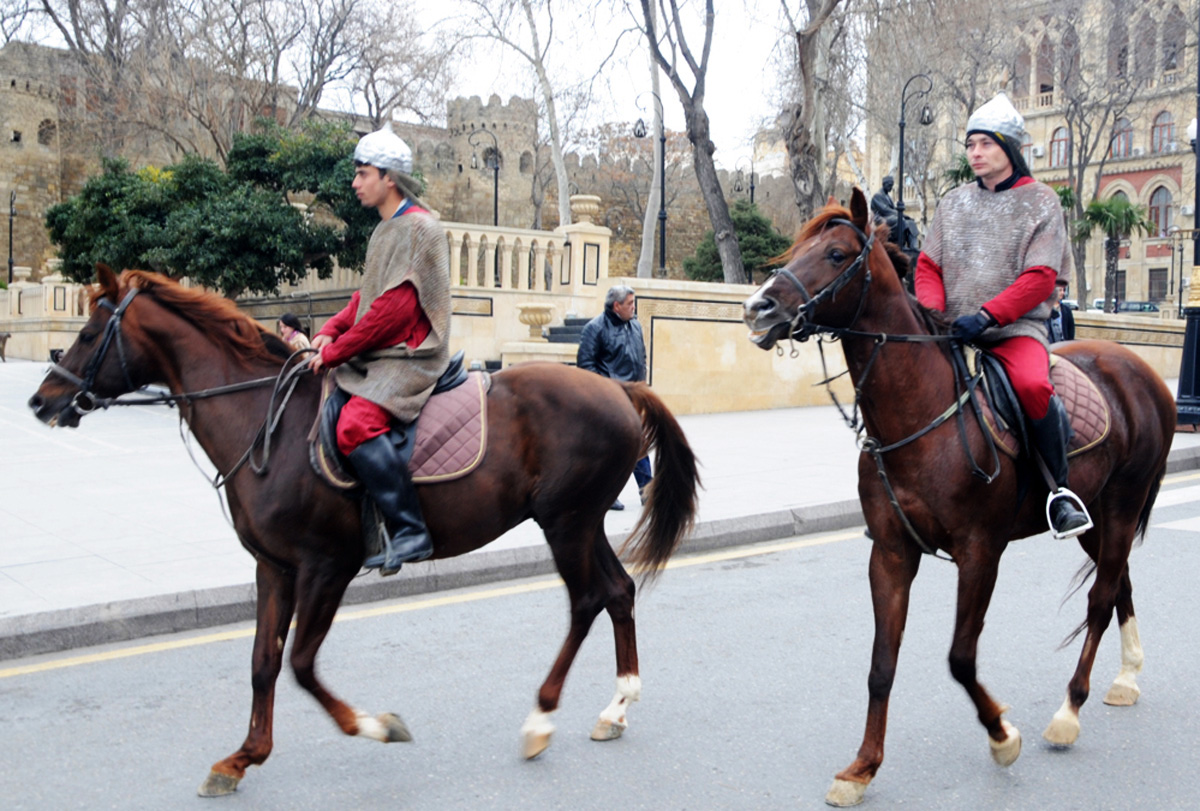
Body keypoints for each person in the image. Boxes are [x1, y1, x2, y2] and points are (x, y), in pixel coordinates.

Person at [914, 92, 1092, 540]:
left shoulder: (1041, 202)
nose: (975, 153)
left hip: (1015, 330)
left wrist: (989, 316)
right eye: (970, 145)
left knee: (1033, 386)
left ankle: (1060, 492)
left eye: (985, 144)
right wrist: (934, 315)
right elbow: (928, 266)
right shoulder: (953, 203)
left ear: (1009, 149)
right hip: (954, 330)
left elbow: (1039, 277)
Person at [307, 124, 451, 574]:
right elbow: (365, 299)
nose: (355, 182)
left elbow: (393, 313)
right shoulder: (386, 230)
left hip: (411, 356)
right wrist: (330, 329)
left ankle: (411, 529)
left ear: (389, 177)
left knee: (354, 424)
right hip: (381, 351)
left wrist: (333, 353)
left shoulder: (420, 229)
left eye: (362, 173)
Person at [576, 285, 652, 510]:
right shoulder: (594, 329)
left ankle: (647, 491)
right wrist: (608, 391)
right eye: (630, 303)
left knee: (638, 442)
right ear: (616, 306)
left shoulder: (635, 325)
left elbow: (641, 357)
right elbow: (586, 366)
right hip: (609, 400)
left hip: (634, 396)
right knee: (614, 448)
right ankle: (606, 494)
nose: (634, 307)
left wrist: (641, 388)